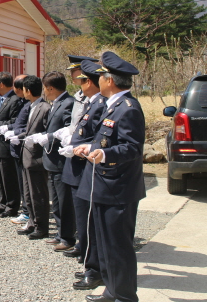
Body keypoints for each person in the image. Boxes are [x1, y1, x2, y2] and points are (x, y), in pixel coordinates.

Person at [74, 52, 145, 302]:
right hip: (105, 186)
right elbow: (104, 139)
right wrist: (90, 148)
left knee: (118, 247)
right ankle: (112, 290)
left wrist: (104, 154)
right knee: (106, 245)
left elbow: (132, 148)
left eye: (101, 76)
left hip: (119, 189)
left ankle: (125, 297)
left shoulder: (128, 109)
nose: (98, 80)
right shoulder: (112, 105)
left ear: (110, 80)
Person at [61, 60, 105, 290]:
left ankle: (94, 268)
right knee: (84, 222)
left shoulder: (100, 104)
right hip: (78, 167)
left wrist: (81, 147)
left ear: (91, 82)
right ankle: (90, 263)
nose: (79, 83)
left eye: (82, 79)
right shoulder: (89, 102)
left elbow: (99, 138)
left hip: (86, 167)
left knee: (89, 224)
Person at [30, 72, 75, 251]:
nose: (44, 92)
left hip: (61, 160)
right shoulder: (56, 103)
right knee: (56, 202)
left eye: (44, 88)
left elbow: (68, 130)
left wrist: (49, 137)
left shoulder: (68, 103)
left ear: (50, 88)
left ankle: (68, 237)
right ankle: (60, 233)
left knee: (64, 203)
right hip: (51, 160)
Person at [9, 75, 51, 240]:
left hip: (37, 157)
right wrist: (18, 136)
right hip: (26, 155)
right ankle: (32, 222)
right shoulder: (32, 106)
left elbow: (46, 132)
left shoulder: (44, 107)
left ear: (28, 90)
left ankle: (41, 227)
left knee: (38, 194)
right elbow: (28, 131)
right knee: (29, 194)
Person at [0, 72, 24, 217]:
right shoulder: (2, 99)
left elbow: (15, 121)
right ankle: (2, 203)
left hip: (7, 144)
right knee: (0, 177)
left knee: (9, 178)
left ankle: (12, 206)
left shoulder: (14, 100)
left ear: (1, 84)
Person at [0, 74, 30, 224]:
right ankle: (11, 205)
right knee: (5, 178)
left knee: (18, 181)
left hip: (20, 146)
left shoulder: (21, 102)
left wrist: (6, 128)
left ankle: (22, 210)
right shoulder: (17, 100)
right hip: (6, 145)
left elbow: (20, 123)